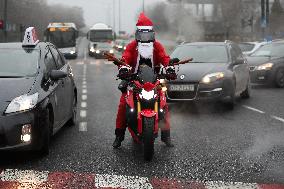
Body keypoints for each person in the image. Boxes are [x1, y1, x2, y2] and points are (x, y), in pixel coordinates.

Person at [113, 13, 176, 148]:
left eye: (148, 35)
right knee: (123, 105)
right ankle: (119, 136)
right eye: (142, 35)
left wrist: (169, 68)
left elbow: (164, 57)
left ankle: (166, 136)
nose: (145, 39)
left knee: (163, 105)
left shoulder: (157, 46)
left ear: (152, 34)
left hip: (153, 81)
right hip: (133, 81)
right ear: (137, 35)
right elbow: (126, 57)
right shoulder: (132, 46)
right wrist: (123, 68)